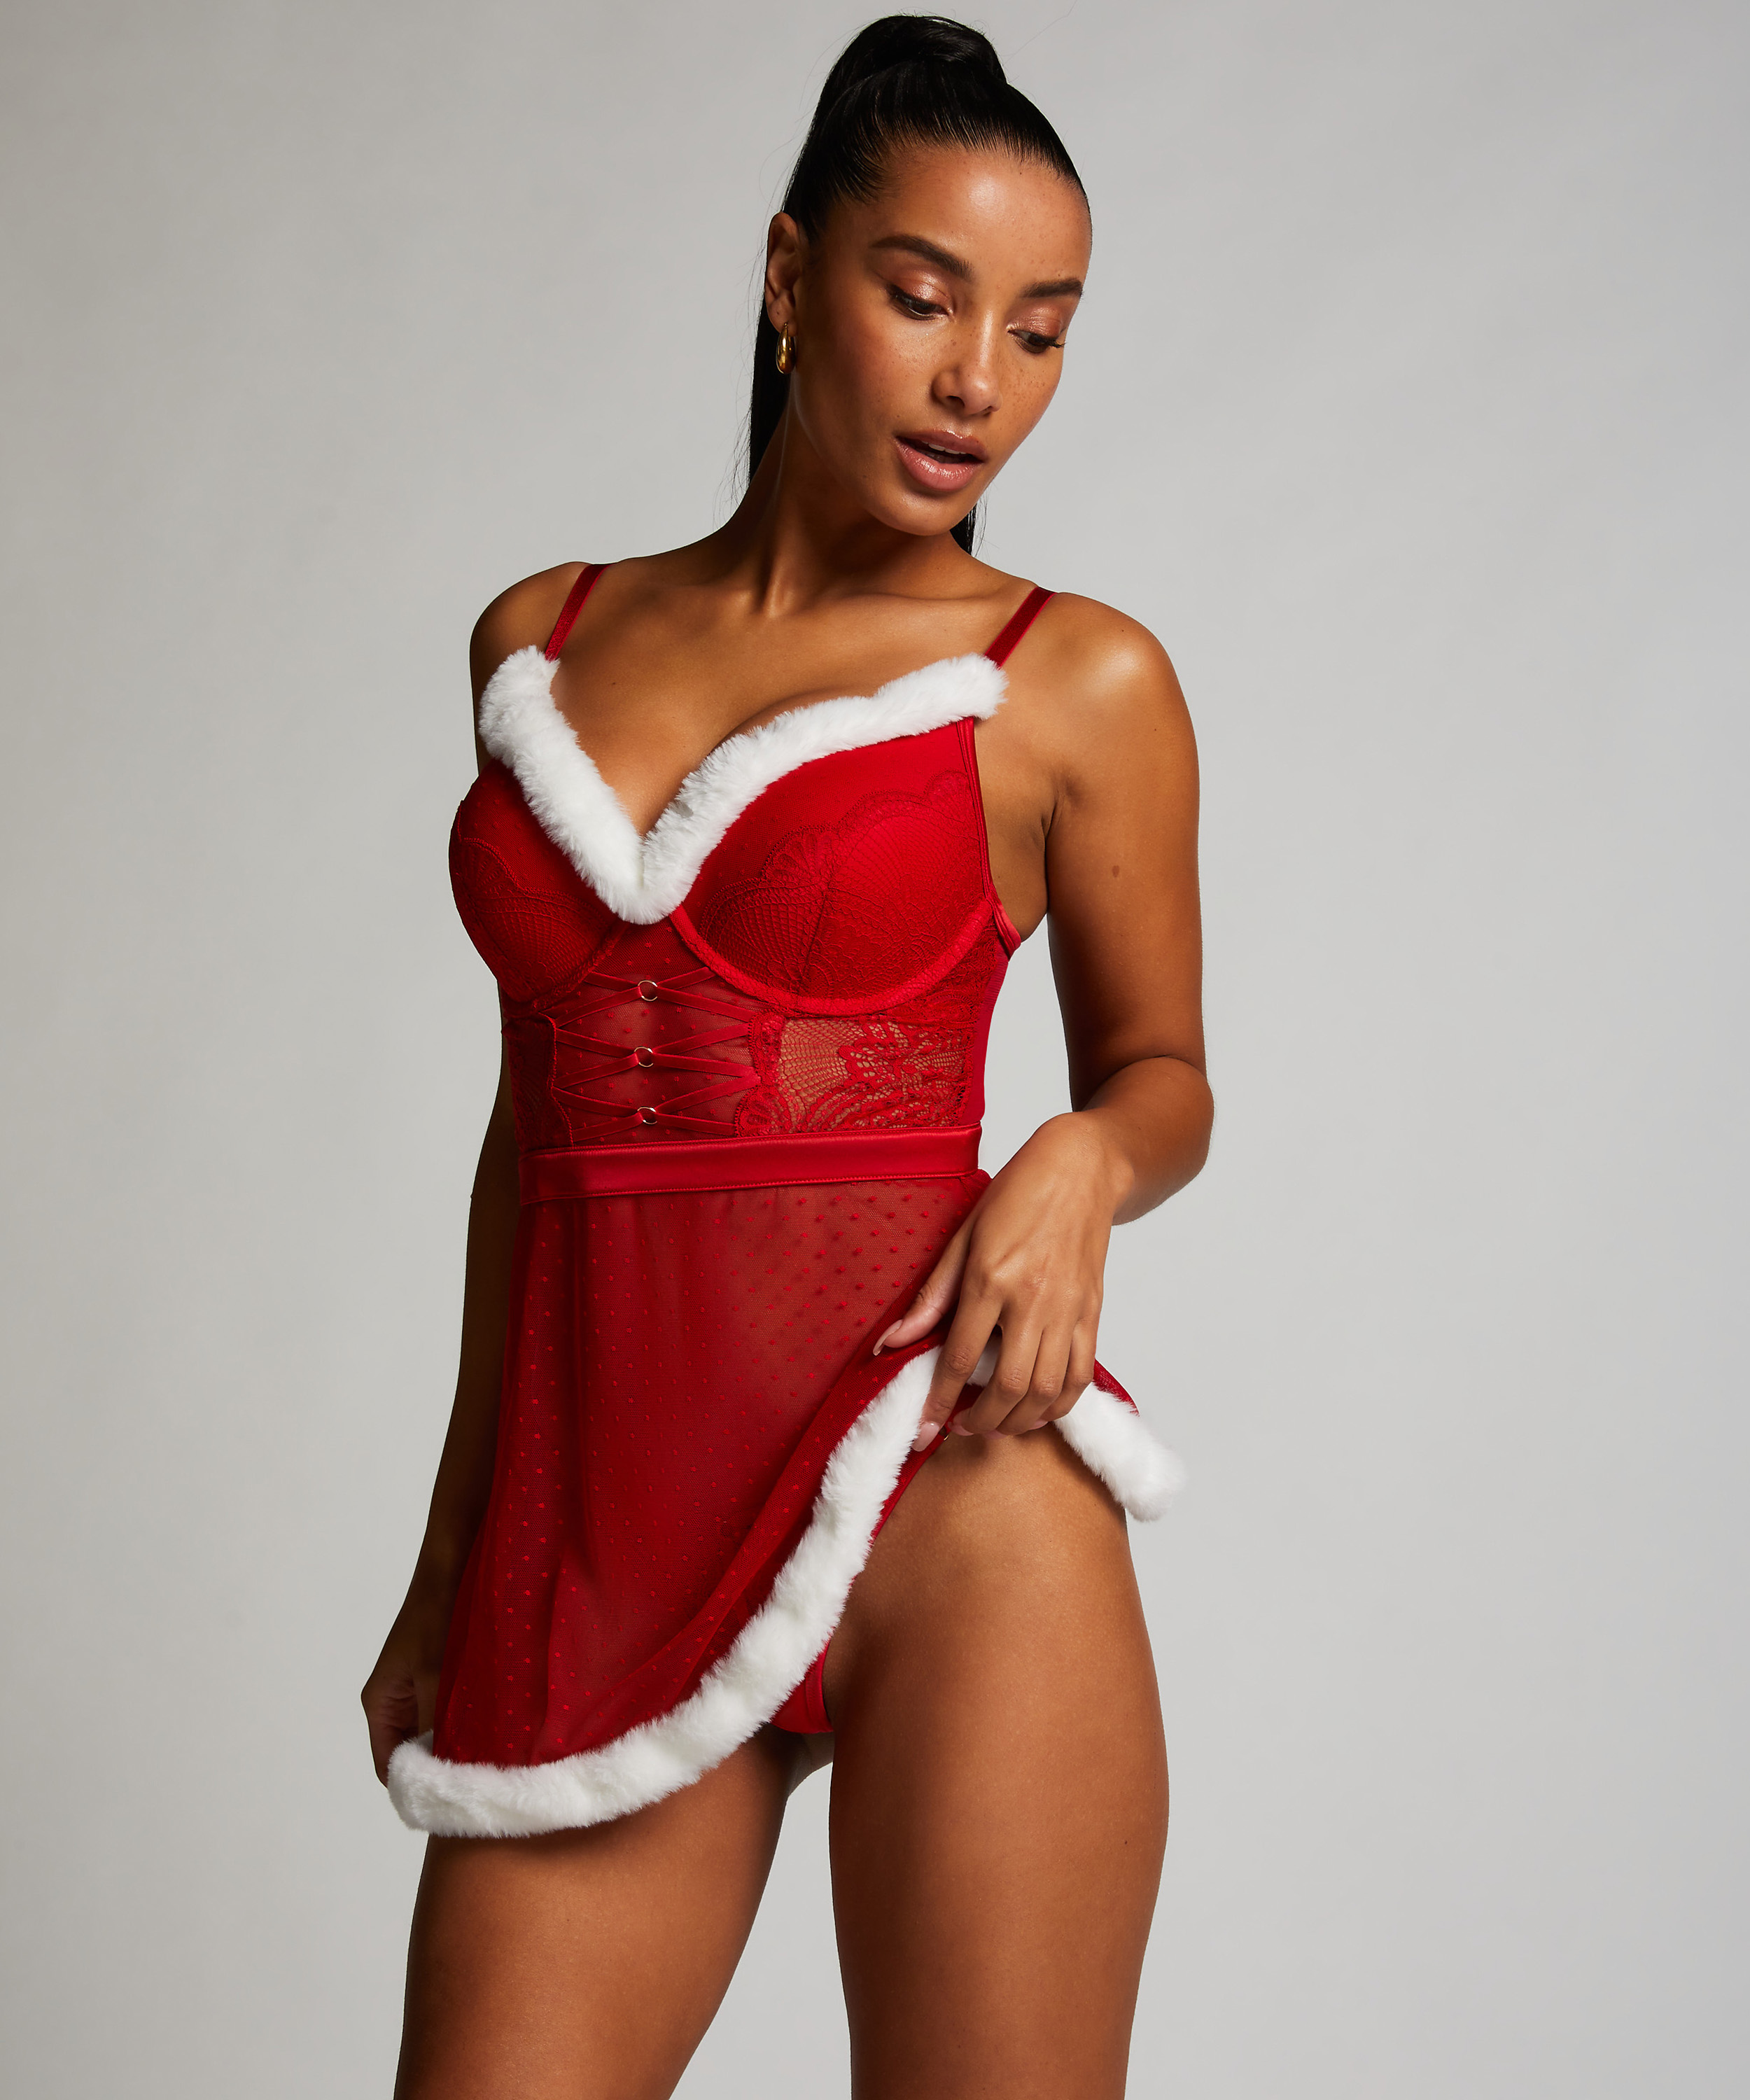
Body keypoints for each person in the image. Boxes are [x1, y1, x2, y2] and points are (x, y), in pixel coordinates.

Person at [361, 15, 1211, 2096]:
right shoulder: (539, 640)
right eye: (924, 297)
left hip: (952, 1483)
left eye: (1038, 330)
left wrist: (1078, 1163)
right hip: (609, 1536)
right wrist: (459, 1547)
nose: (976, 380)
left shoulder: (1072, 680)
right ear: (786, 273)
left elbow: (1164, 1076)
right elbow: (531, 1126)